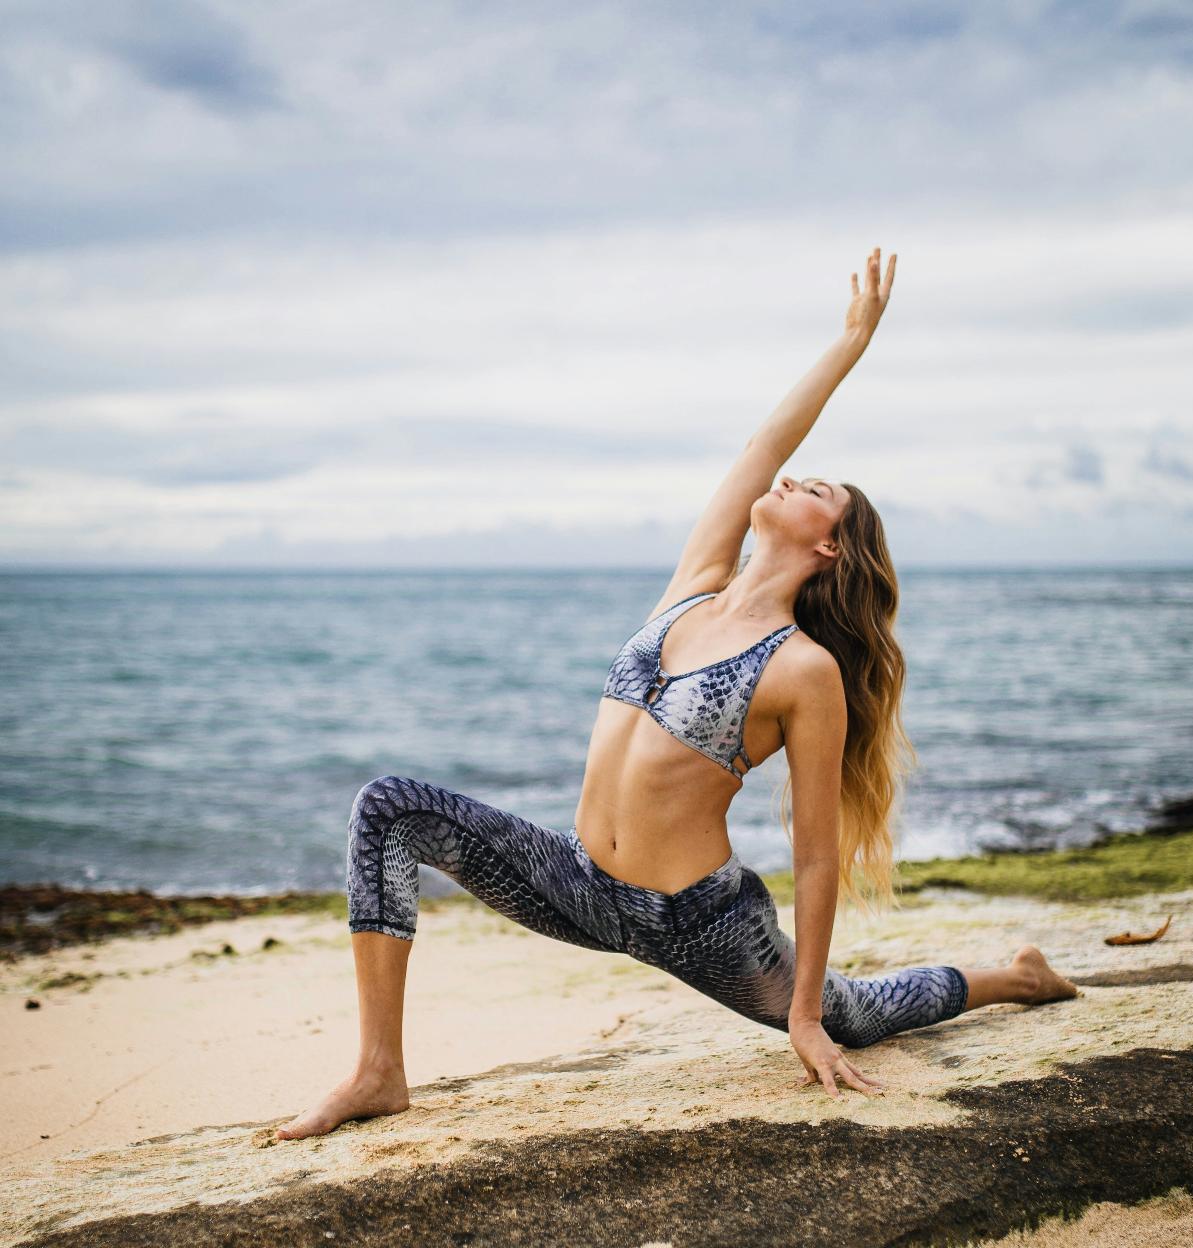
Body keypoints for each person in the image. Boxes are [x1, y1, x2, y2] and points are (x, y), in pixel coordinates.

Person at [275, 247, 1076, 1141]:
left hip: (696, 920)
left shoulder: (803, 669)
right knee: (388, 808)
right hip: (575, 880)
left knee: (852, 1014)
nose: (790, 477)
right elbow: (764, 443)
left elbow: (815, 856)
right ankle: (379, 1071)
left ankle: (1016, 979)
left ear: (831, 550)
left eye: (817, 489)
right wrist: (848, 345)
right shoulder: (693, 584)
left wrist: (802, 1016)